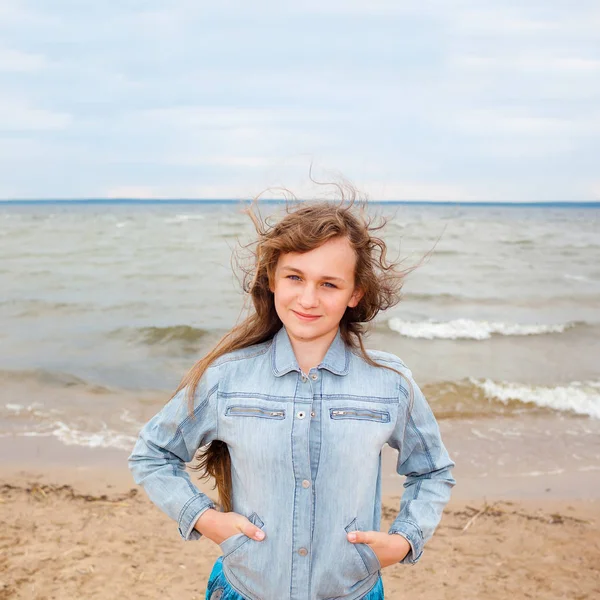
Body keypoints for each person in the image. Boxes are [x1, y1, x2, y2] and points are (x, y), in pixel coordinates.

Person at [128, 199, 455, 600]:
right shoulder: (226, 377)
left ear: (356, 293)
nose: (308, 299)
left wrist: (405, 540)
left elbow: (433, 471)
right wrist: (204, 518)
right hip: (244, 589)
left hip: (352, 592)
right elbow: (152, 453)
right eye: (295, 277)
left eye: (329, 284)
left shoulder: (391, 384)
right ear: (272, 279)